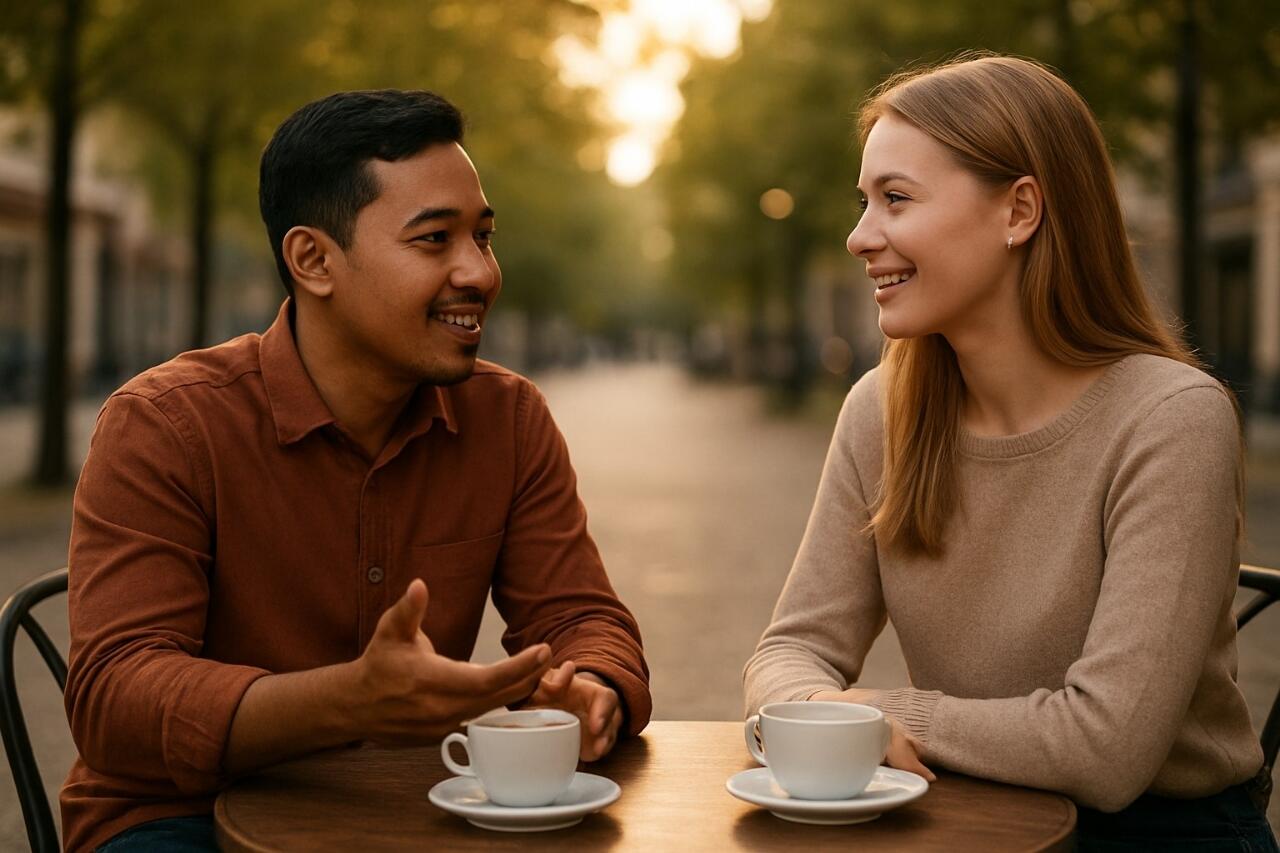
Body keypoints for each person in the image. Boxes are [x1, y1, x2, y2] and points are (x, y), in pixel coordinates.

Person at [62, 89, 651, 852]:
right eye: (434, 239)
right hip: (182, 818)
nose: (479, 272)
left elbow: (584, 620)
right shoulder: (166, 425)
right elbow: (117, 697)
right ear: (313, 260)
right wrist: (351, 702)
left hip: (413, 807)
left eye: (484, 236)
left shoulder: (507, 419)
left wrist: (592, 690)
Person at [743, 55, 1277, 850]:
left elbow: (1106, 749)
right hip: (961, 811)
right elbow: (792, 648)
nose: (860, 237)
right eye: (864, 202)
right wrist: (814, 711)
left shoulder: (1171, 419)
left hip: (1160, 834)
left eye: (895, 199)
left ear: (1019, 210)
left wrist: (890, 714)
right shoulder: (880, 410)